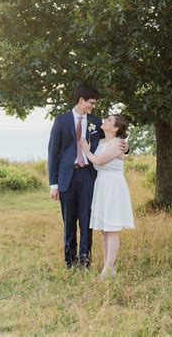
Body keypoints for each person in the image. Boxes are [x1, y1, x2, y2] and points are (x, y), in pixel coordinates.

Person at [48, 83, 127, 269]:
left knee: (87, 220)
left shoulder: (96, 122)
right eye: (91, 102)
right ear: (81, 100)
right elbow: (53, 153)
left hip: (88, 176)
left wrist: (126, 147)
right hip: (66, 178)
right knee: (69, 222)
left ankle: (85, 260)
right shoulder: (61, 121)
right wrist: (54, 184)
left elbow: (113, 138)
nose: (93, 106)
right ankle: (70, 261)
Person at [80, 114, 134, 278]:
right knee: (105, 229)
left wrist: (86, 149)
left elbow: (98, 161)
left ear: (116, 128)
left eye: (109, 120)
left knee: (112, 229)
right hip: (102, 185)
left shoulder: (118, 143)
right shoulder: (103, 141)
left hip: (113, 187)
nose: (105, 121)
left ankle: (106, 271)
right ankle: (109, 267)